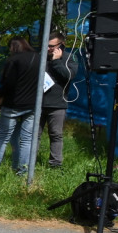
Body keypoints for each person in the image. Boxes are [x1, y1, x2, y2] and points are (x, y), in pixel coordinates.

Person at [0, 37, 41, 174]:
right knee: (27, 139)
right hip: (32, 104)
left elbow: (8, 83)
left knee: (3, 136)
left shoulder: (14, 60)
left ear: (13, 47)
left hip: (13, 103)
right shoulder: (38, 58)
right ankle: (23, 171)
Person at [39, 31, 77, 168]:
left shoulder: (69, 58)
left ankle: (55, 164)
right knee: (34, 134)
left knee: (56, 134)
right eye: (47, 45)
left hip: (57, 104)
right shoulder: (41, 58)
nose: (49, 48)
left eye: (52, 46)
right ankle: (29, 162)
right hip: (38, 103)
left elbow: (69, 76)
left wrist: (56, 62)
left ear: (61, 45)